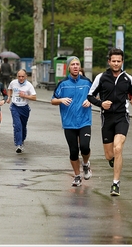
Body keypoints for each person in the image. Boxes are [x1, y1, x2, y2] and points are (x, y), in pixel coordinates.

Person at [87, 48, 132, 196]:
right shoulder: (101, 78)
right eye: (113, 61)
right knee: (109, 155)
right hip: (107, 118)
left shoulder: (128, 79)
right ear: (109, 61)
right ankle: (114, 161)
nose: (116, 64)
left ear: (122, 62)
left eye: (119, 61)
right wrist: (101, 104)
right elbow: (90, 96)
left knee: (118, 148)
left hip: (122, 117)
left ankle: (115, 183)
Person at [51, 56, 93, 187]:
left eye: (77, 64)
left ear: (80, 67)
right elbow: (53, 100)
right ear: (68, 67)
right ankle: (77, 176)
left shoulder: (87, 82)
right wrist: (61, 100)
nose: (75, 66)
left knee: (85, 147)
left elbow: (95, 96)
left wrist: (90, 100)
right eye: (73, 64)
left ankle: (85, 164)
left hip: (84, 121)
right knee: (73, 151)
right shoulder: (62, 84)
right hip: (69, 123)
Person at [7, 69, 37, 153]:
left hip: (24, 108)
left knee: (23, 126)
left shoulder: (29, 85)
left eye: (22, 76)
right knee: (17, 125)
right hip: (15, 107)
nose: (21, 78)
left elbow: (34, 97)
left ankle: (22, 140)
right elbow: (9, 89)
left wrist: (25, 96)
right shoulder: (13, 83)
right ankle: (18, 145)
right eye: (19, 76)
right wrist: (9, 97)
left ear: (26, 76)